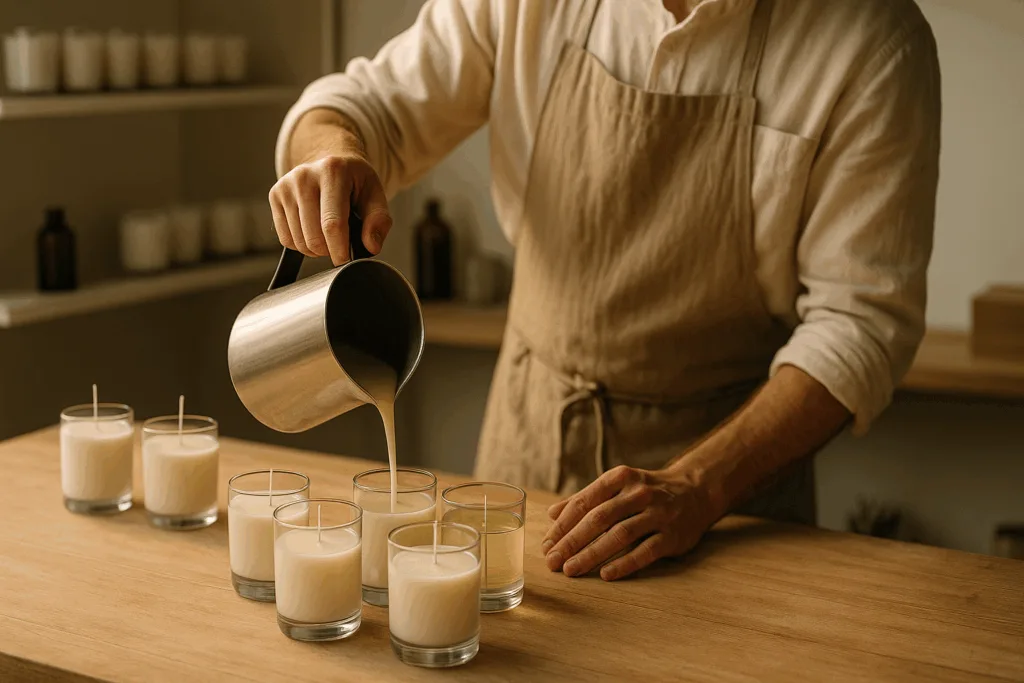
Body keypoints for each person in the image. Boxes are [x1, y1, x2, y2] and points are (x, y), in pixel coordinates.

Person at [271, 0, 941, 581]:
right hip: (527, 455)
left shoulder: (872, 42)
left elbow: (860, 322)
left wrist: (698, 485)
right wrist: (334, 152)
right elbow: (364, 107)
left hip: (729, 505)